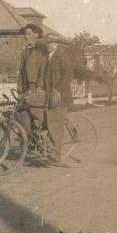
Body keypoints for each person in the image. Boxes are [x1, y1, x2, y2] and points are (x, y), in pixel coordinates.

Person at [44, 35, 74, 163]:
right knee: (49, 121)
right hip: (51, 95)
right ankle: (50, 148)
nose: (49, 45)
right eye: (48, 43)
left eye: (52, 43)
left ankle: (56, 154)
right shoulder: (49, 56)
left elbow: (68, 74)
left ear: (56, 44)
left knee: (55, 124)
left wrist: (57, 89)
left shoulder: (60, 55)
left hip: (60, 96)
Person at [16, 23, 48, 134]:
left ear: (36, 34)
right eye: (26, 34)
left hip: (36, 86)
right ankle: (27, 138)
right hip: (26, 86)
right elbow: (22, 70)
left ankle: (39, 136)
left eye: (29, 34)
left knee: (35, 111)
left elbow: (44, 68)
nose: (27, 36)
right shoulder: (26, 49)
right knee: (21, 110)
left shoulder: (42, 49)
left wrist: (40, 86)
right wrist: (19, 87)